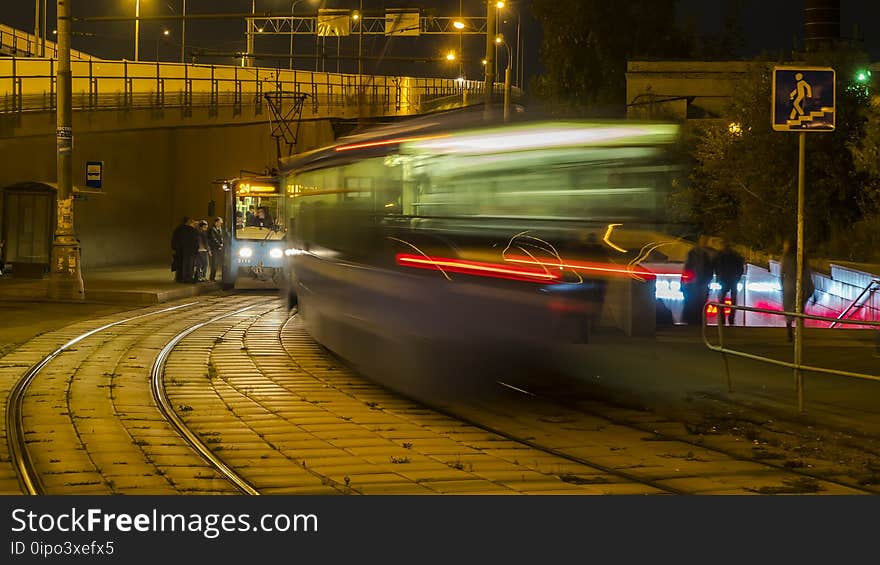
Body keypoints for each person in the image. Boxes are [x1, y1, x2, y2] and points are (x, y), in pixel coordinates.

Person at [780, 238, 815, 342]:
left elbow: (782, 273)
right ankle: (799, 333)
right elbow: (808, 273)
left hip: (788, 286)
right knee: (800, 310)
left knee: (788, 310)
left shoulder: (785, 257)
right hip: (801, 286)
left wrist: (782, 286)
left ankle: (789, 332)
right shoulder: (802, 257)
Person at [682, 235, 714, 325]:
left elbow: (687, 267)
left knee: (694, 302)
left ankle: (693, 320)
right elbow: (709, 269)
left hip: (697, 283)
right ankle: (695, 321)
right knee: (696, 302)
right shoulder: (704, 255)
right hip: (697, 283)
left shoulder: (696, 254)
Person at [713, 238, 745, 326]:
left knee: (721, 301)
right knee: (733, 300)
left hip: (723, 279)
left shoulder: (719, 255)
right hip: (733, 279)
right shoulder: (736, 255)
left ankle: (722, 320)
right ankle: (731, 319)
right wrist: (737, 277)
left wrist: (718, 276)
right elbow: (740, 268)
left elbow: (716, 266)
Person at [171, 217, 193, 283]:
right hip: (186, 250)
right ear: (188, 221)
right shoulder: (189, 229)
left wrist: (174, 248)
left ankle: (179, 277)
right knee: (185, 264)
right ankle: (184, 278)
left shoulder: (178, 229)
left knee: (179, 264)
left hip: (179, 250)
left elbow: (174, 240)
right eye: (190, 221)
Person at [208, 217, 225, 282]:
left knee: (218, 263)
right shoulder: (212, 229)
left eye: (221, 223)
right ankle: (212, 277)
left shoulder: (220, 229)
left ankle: (213, 277)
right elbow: (213, 238)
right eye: (220, 223)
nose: (221, 224)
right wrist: (219, 244)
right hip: (215, 248)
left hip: (220, 248)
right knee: (214, 263)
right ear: (216, 222)